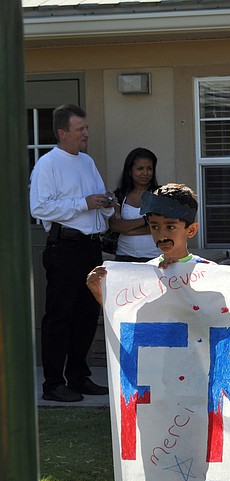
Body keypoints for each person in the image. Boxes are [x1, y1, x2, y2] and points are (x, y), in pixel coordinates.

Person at [86, 183, 207, 481]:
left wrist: (185, 291)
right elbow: (126, 325)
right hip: (155, 393)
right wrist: (102, 295)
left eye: (170, 226)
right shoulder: (139, 276)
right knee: (163, 467)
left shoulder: (210, 274)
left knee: (197, 470)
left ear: (191, 230)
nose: (160, 235)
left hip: (198, 391)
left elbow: (224, 320)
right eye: (154, 226)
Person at [29, 104, 114, 402]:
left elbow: (96, 201)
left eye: (86, 128)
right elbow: (38, 207)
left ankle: (78, 376)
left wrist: (105, 206)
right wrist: (83, 203)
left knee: (87, 315)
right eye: (80, 129)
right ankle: (53, 383)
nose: (86, 134)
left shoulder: (88, 163)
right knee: (59, 316)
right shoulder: (48, 164)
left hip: (90, 247)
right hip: (64, 248)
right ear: (63, 132)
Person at [108, 148, 161, 262]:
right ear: (130, 171)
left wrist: (127, 230)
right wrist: (146, 220)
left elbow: (162, 227)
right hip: (124, 258)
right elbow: (115, 226)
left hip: (156, 259)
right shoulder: (119, 196)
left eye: (149, 169)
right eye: (140, 168)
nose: (145, 173)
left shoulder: (161, 195)